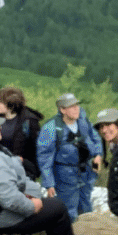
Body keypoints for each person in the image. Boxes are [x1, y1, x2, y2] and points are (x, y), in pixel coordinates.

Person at [36, 94, 102, 224]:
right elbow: (44, 157)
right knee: (69, 210)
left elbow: (95, 137)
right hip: (64, 174)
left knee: (86, 207)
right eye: (71, 106)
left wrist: (98, 155)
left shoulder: (82, 120)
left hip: (86, 172)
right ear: (62, 110)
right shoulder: (51, 128)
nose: (76, 109)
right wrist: (49, 183)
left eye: (76, 105)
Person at [0, 88, 43, 180]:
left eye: (0, 102)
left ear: (11, 105)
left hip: (21, 172)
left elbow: (37, 149)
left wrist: (31, 169)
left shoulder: (29, 121)